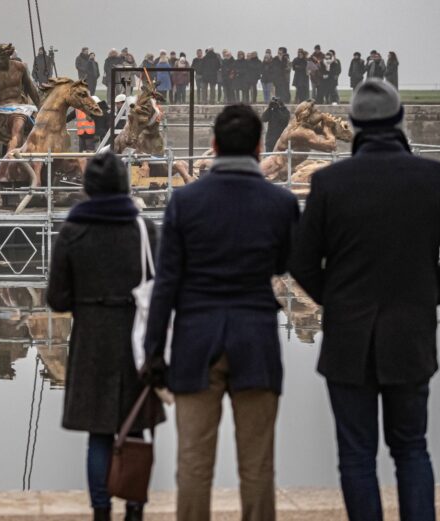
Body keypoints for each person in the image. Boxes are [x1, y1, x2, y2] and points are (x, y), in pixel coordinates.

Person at [289, 80, 440, 521]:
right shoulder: (436, 178)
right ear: (399, 121)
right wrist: (428, 295)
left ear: (354, 125)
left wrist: (333, 300)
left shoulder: (331, 182)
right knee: (411, 448)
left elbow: (300, 262)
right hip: (410, 335)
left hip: (347, 338)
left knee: (356, 456)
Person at [145, 104, 298, 521]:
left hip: (197, 341)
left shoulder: (185, 201)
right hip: (256, 339)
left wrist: (154, 351)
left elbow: (166, 285)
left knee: (194, 464)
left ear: (213, 145)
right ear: (259, 146)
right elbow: (286, 263)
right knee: (257, 465)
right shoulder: (281, 203)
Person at [48, 152, 164, 521]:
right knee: (135, 427)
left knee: (98, 433)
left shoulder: (72, 230)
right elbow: (161, 287)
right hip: (136, 338)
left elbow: (57, 298)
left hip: (92, 337)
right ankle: (134, 508)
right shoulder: (144, 230)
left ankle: (101, 511)